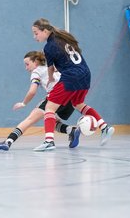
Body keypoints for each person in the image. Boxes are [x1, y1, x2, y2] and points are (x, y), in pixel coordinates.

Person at [31, 18, 115, 151]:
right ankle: (104, 127)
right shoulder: (65, 39)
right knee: (78, 103)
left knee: (50, 108)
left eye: (36, 33)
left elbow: (51, 68)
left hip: (71, 76)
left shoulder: (49, 46)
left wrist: (51, 78)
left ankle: (49, 141)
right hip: (85, 74)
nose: (34, 36)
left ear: (45, 31)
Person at [0, 51, 80, 151]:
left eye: (27, 64)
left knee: (29, 119)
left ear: (36, 62)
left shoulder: (37, 71)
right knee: (52, 122)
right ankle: (71, 130)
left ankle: (8, 142)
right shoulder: (51, 66)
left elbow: (32, 91)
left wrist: (23, 103)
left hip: (57, 95)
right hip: (71, 98)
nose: (26, 68)